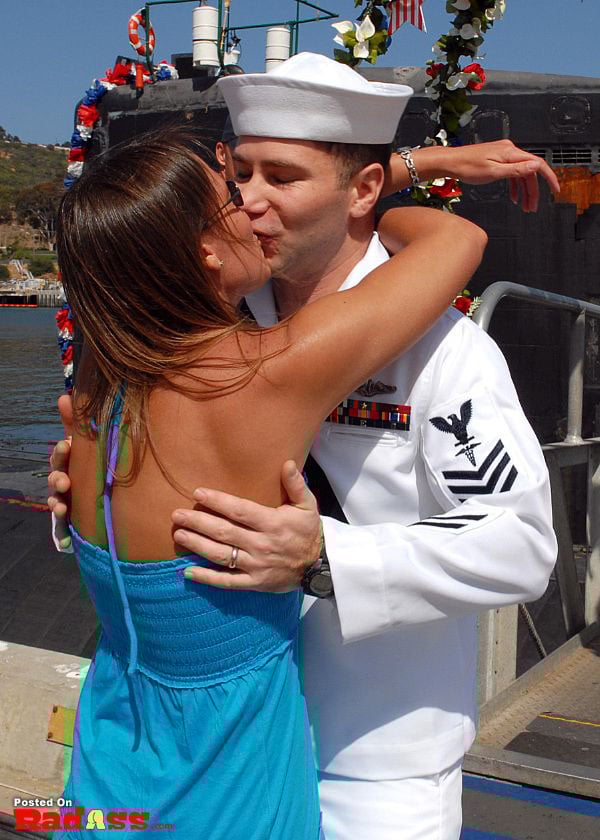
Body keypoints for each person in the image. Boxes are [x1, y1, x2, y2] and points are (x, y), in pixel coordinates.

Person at [49, 54, 558, 839]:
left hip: (374, 760)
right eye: (238, 173)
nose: (249, 200)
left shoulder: (445, 353)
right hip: (225, 746)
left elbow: (520, 545)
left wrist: (327, 558)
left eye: (280, 178)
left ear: (361, 190)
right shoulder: (208, 320)